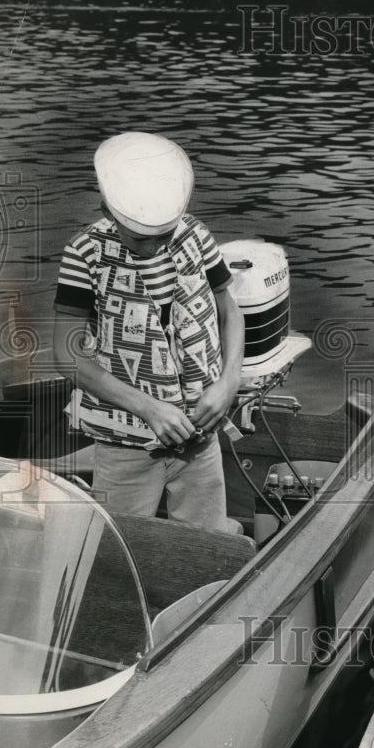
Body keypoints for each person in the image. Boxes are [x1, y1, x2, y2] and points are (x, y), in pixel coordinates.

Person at [52, 130, 245, 534]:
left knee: (207, 544)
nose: (155, 247)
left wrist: (228, 384)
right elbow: (67, 355)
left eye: (165, 236)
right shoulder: (83, 254)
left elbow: (230, 311)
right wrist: (149, 409)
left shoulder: (196, 235)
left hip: (200, 436)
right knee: (122, 546)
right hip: (124, 445)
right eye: (141, 238)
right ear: (107, 209)